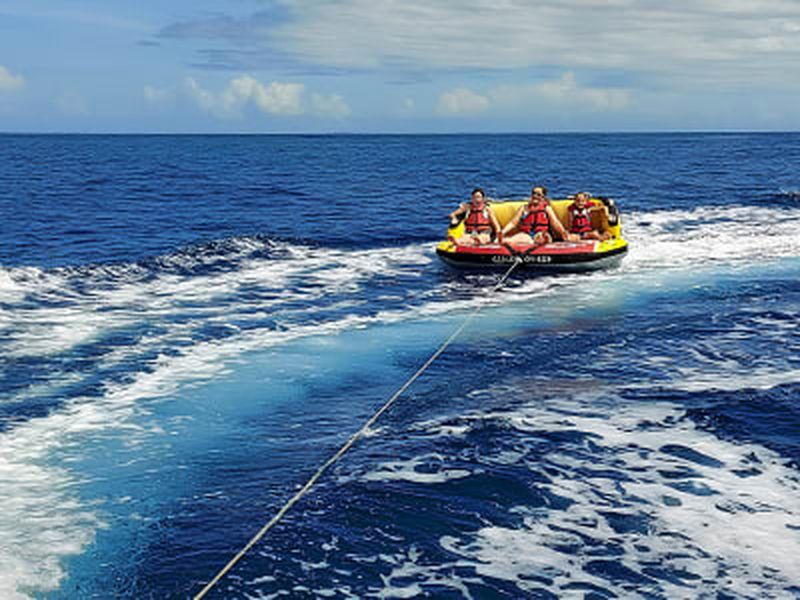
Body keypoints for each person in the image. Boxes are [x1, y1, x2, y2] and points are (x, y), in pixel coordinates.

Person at [502, 185, 576, 246]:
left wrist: (563, 232)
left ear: (543, 197)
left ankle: (541, 241)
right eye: (533, 193)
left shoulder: (546, 208)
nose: (535, 196)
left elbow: (555, 222)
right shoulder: (524, 208)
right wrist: (502, 232)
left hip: (541, 232)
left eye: (538, 194)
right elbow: (513, 223)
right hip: (527, 234)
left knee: (542, 237)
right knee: (512, 239)